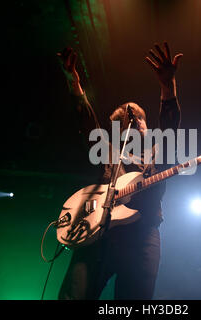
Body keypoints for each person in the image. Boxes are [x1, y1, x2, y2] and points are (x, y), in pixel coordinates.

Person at [57, 42, 183, 300]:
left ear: (147, 126)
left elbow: (171, 128)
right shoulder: (107, 156)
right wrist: (74, 82)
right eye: (127, 121)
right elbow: (87, 124)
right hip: (98, 235)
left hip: (142, 237)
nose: (134, 122)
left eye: (139, 118)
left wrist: (167, 87)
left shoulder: (157, 156)